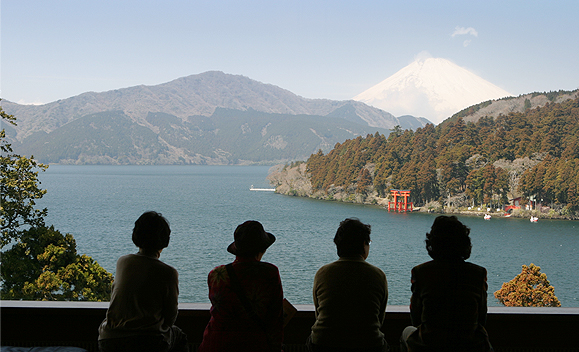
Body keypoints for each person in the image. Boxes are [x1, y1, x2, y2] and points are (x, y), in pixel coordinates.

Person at [98, 211, 189, 352]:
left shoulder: (123, 262)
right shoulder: (168, 272)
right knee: (179, 336)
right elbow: (170, 318)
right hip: (147, 342)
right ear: (165, 240)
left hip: (109, 339)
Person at [400, 215, 492, 352]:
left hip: (430, 345)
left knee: (407, 332)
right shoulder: (478, 273)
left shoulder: (421, 272)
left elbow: (416, 319)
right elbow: (481, 318)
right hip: (469, 346)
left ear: (433, 243)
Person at [198, 220, 284, 352]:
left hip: (215, 343)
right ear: (262, 249)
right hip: (254, 345)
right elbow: (275, 317)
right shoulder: (270, 273)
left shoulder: (216, 274)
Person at [307, 218, 388, 352]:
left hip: (324, 343)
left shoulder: (323, 273)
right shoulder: (377, 275)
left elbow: (318, 312)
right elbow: (379, 318)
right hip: (369, 344)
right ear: (363, 244)